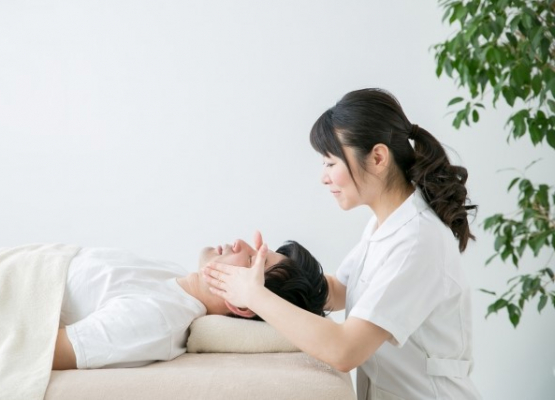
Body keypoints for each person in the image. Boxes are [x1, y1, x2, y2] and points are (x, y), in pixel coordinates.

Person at [204, 88, 481, 399]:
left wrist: (253, 295)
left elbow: (345, 349)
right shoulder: (385, 226)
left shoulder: (416, 241)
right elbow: (337, 290)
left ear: (378, 158)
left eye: (330, 163)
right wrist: (267, 271)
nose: (324, 178)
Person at [53, 232, 328, 370]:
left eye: (251, 260)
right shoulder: (170, 274)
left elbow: (46, 349)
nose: (239, 242)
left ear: (242, 302)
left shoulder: (158, 319)